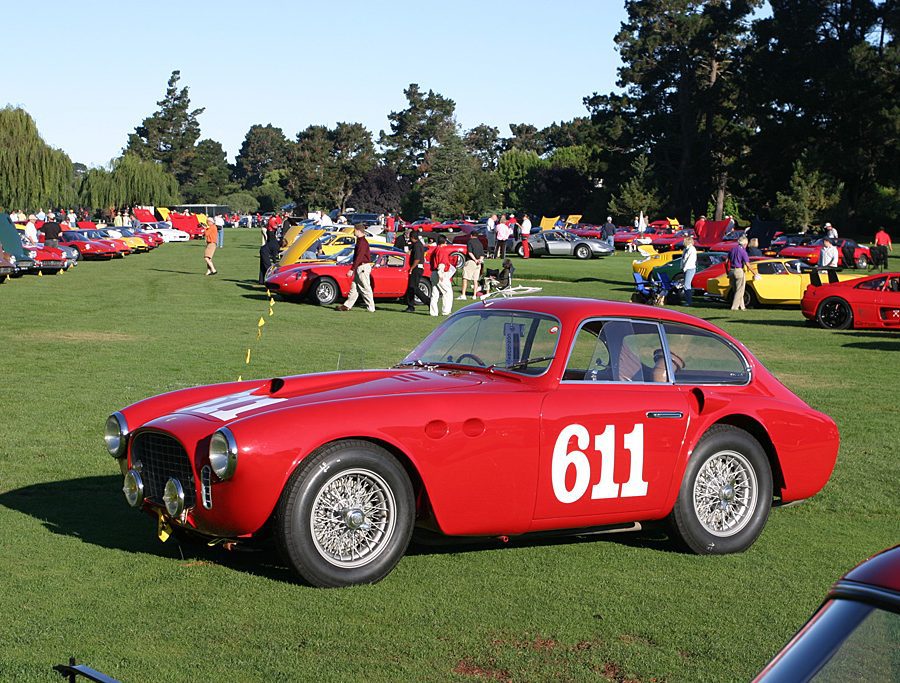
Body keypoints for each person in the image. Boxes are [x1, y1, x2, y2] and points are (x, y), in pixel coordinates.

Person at [337, 225, 374, 312]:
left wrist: (352, 269)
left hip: (362, 267)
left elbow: (359, 257)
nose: (353, 232)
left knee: (365, 288)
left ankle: (371, 307)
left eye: (354, 230)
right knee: (354, 288)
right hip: (360, 267)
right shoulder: (360, 241)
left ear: (358, 231)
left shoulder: (362, 242)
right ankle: (347, 305)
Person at [403, 230, 429, 312]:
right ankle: (410, 306)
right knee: (411, 288)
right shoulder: (418, 245)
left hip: (416, 268)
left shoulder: (417, 246)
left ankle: (428, 301)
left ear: (412, 237)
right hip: (417, 268)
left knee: (413, 287)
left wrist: (412, 268)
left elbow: (417, 259)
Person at [429, 234, 454, 316]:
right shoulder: (442, 250)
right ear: (444, 241)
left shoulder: (435, 250)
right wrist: (441, 274)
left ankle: (433, 312)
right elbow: (442, 264)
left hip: (433, 272)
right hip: (440, 273)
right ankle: (446, 311)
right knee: (447, 292)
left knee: (435, 294)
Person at [726, 236, 751, 310]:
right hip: (739, 270)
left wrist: (727, 272)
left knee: (736, 289)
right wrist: (755, 273)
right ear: (745, 244)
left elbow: (726, 261)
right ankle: (734, 307)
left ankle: (742, 306)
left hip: (731, 270)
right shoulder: (743, 252)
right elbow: (747, 264)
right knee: (740, 290)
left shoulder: (732, 249)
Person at [459, 231, 485, 299]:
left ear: (471, 235)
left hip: (471, 261)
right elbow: (482, 254)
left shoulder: (470, 242)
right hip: (478, 263)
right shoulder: (480, 243)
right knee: (475, 280)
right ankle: (474, 295)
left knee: (465, 278)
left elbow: (470, 252)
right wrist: (479, 260)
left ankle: (463, 295)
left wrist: (475, 260)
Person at [681, 235, 697, 306]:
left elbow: (690, 260)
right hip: (685, 268)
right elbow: (683, 259)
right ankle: (687, 300)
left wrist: (685, 268)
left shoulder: (692, 249)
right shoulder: (685, 249)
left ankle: (689, 301)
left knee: (687, 285)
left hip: (690, 268)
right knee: (686, 285)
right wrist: (681, 267)